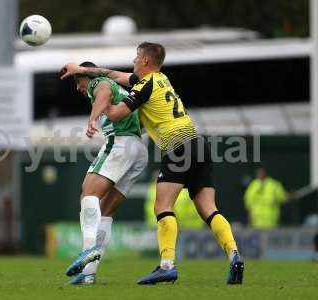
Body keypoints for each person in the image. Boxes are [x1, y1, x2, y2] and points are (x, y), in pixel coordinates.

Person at [61, 42, 244, 285]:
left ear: (146, 61)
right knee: (209, 209)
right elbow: (114, 75)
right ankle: (234, 255)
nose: (134, 60)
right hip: (199, 144)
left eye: (137, 56)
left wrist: (101, 107)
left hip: (178, 146)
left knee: (162, 206)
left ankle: (167, 265)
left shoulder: (145, 85)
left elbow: (115, 111)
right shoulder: (162, 79)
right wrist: (80, 70)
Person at [64, 62, 148, 285]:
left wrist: (93, 118)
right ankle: (89, 273)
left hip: (120, 144)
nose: (78, 88)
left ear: (86, 76)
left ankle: (88, 249)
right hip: (138, 150)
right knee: (105, 210)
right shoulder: (123, 90)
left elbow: (103, 91)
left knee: (88, 194)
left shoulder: (99, 82)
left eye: (78, 81)